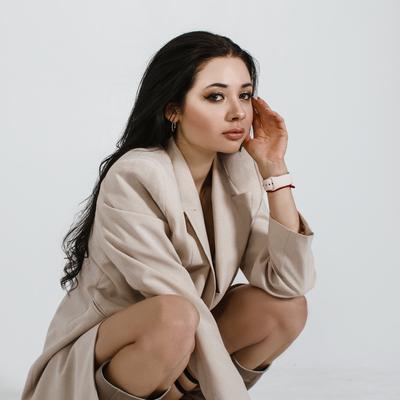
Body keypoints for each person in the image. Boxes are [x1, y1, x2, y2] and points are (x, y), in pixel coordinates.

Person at [21, 30, 316, 400]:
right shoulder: (136, 175)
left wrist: (275, 170)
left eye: (244, 95)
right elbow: (179, 303)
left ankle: (181, 394)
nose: (238, 112)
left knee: (286, 309)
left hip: (183, 343)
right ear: (173, 109)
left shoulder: (240, 171)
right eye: (215, 96)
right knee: (176, 317)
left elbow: (290, 281)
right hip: (101, 361)